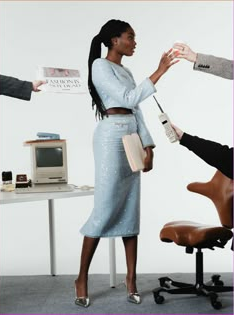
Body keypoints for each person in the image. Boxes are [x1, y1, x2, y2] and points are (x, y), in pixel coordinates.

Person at [75, 19, 179, 308]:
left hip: (132, 133)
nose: (134, 42)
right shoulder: (99, 66)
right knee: (105, 208)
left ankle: (130, 279)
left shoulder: (126, 70)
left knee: (131, 208)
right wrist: (160, 71)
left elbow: (136, 108)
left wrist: (149, 146)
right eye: (130, 37)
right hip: (110, 136)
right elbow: (125, 97)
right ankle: (81, 278)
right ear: (113, 40)